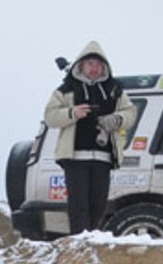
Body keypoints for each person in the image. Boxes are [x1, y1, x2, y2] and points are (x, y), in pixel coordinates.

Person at [43, 42, 137, 234]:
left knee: (98, 206)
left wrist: (116, 119)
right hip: (75, 157)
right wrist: (73, 113)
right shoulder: (67, 88)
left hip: (103, 158)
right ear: (81, 66)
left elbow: (131, 113)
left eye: (98, 65)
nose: (94, 68)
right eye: (90, 64)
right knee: (79, 206)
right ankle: (79, 245)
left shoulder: (114, 89)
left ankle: (92, 243)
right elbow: (50, 116)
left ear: (104, 67)